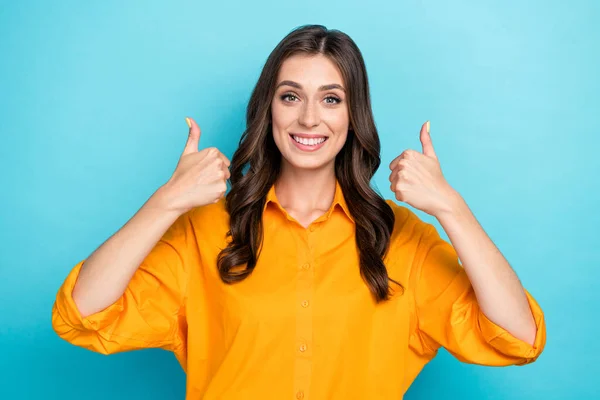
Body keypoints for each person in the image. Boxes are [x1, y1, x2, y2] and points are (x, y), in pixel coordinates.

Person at [51, 24, 546, 399]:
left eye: (331, 99)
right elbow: (82, 313)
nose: (309, 118)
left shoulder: (402, 240)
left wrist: (451, 208)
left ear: (353, 117)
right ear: (270, 108)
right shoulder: (204, 229)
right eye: (291, 97)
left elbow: (517, 338)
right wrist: (168, 200)